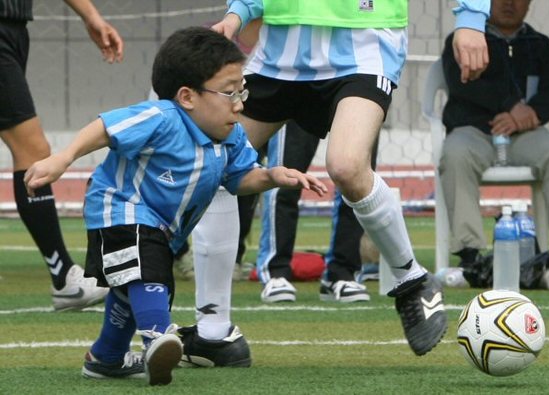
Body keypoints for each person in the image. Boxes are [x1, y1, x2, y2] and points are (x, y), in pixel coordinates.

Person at [180, 0, 490, 361]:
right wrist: (237, 15)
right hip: (282, 49)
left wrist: (471, 18)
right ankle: (214, 335)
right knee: (213, 166)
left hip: (364, 42)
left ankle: (412, 280)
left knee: (346, 166)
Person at [24, 27, 327, 385]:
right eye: (230, 92)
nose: (240, 103)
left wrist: (273, 176)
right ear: (187, 97)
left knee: (128, 288)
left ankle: (105, 357)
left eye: (241, 91)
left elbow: (240, 178)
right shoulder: (161, 117)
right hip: (120, 207)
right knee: (148, 272)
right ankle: (158, 337)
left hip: (163, 229)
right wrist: (63, 158)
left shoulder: (230, 137)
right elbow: (106, 128)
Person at [440, 0, 549, 289]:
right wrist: (512, 107)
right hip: (474, 129)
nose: (509, 2)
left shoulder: (541, 45)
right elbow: (461, 85)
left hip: (525, 134)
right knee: (455, 155)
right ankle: (470, 255)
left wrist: (530, 115)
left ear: (530, 4)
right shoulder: (462, 39)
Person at [0, 0, 123, 311]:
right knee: (33, 150)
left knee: (29, 148)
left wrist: (91, 16)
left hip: (13, 28)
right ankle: (64, 277)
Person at [258, 121, 378, 303]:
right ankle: (276, 271)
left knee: (355, 179)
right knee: (285, 177)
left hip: (353, 94)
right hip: (300, 93)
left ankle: (342, 272)